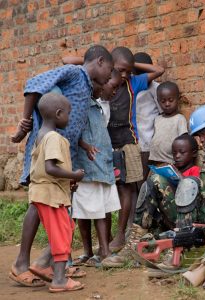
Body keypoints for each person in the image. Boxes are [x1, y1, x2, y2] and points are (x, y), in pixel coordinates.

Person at [104, 104, 205, 268]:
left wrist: (202, 195)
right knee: (155, 180)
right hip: (193, 215)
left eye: (201, 135)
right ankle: (134, 245)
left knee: (189, 183)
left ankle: (181, 249)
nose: (200, 141)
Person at [10, 45, 113, 286]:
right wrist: (25, 123)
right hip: (48, 148)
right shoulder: (74, 73)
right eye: (109, 71)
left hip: (66, 152)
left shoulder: (87, 88)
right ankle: (21, 263)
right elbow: (34, 84)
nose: (109, 77)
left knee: (62, 206)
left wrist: (83, 145)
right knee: (39, 202)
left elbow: (71, 122)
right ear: (99, 61)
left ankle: (48, 264)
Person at [10, 93, 85, 292]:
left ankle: (43, 264)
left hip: (45, 192)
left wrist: (68, 180)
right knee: (61, 235)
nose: (70, 118)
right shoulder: (53, 138)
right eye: (68, 113)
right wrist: (74, 175)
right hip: (51, 196)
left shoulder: (40, 135)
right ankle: (59, 279)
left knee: (66, 228)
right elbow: (50, 168)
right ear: (59, 114)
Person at [102, 133, 200, 268]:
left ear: (194, 153)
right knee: (149, 183)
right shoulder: (173, 167)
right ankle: (134, 243)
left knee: (160, 181)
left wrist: (180, 177)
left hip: (187, 220)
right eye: (174, 153)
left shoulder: (196, 171)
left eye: (182, 152)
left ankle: (177, 247)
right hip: (168, 217)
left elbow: (193, 193)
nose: (177, 156)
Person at [106, 47, 165, 254]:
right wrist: (110, 61)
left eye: (127, 72)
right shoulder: (104, 81)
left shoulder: (134, 82)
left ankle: (123, 234)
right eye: (120, 70)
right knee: (106, 189)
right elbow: (68, 59)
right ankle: (107, 239)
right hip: (106, 144)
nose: (124, 75)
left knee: (129, 188)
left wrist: (131, 67)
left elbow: (159, 70)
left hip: (130, 142)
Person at [71, 70, 122, 267]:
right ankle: (89, 251)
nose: (112, 89)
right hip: (87, 168)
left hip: (103, 166)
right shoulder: (82, 105)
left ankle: (104, 250)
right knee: (83, 211)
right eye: (109, 84)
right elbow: (74, 132)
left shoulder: (100, 107)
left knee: (104, 209)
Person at [133, 52, 162, 182]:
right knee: (134, 178)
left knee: (144, 178)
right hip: (134, 141)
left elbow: (162, 113)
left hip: (149, 143)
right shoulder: (131, 86)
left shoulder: (156, 88)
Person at [149, 81, 188, 165]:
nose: (167, 104)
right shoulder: (157, 119)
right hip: (155, 161)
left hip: (170, 162)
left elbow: (183, 141)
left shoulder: (179, 119)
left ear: (178, 99)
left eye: (171, 100)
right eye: (163, 101)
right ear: (158, 101)